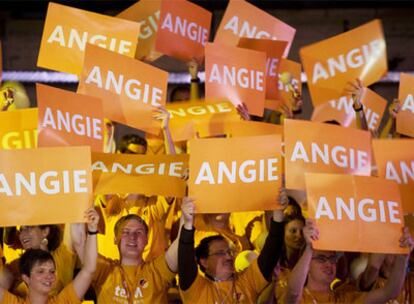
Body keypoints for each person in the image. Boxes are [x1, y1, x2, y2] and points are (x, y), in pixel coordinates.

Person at [178, 189, 287, 303]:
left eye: (230, 252)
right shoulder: (196, 290)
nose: (229, 257)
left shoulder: (247, 282)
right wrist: (188, 223)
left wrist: (278, 212)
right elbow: (185, 257)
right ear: (203, 261)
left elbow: (272, 251)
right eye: (220, 253)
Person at [283, 219, 413, 303]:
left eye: (332, 258)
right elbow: (293, 293)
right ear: (307, 266)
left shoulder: (345, 297)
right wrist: (310, 248)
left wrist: (403, 256)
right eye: (321, 259)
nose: (329, 264)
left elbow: (389, 292)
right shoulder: (301, 298)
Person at [74, 212, 179, 303]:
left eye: (139, 232)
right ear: (115, 239)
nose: (132, 237)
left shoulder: (157, 271)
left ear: (146, 240)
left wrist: (187, 220)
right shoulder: (104, 269)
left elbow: (181, 243)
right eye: (126, 232)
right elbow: (79, 241)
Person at [0, 208, 98, 304]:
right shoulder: (16, 267)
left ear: (45, 232)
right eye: (40, 271)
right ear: (26, 278)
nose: (49, 276)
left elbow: (89, 269)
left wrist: (92, 230)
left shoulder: (63, 301)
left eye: (52, 271)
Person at [3, 224, 77, 297]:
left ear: (45, 232)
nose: (22, 234)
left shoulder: (64, 252)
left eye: (29, 227)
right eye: (21, 229)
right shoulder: (20, 264)